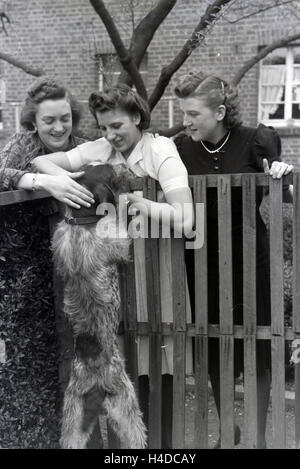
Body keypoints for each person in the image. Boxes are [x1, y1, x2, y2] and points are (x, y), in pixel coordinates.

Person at [32, 83, 194, 448]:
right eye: (103, 127)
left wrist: (138, 204)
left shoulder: (161, 151)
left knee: (155, 376)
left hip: (154, 278)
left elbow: (186, 220)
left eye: (117, 126)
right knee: (113, 369)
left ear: (137, 117)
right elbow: (42, 162)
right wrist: (61, 182)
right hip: (108, 286)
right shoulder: (100, 148)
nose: (109, 135)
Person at [174, 71, 293, 449]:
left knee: (257, 349)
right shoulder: (179, 148)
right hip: (200, 262)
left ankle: (255, 435)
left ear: (220, 111)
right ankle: (229, 431)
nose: (186, 121)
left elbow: (284, 194)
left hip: (250, 262)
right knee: (213, 348)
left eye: (193, 113)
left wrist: (279, 173)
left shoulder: (254, 141)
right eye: (184, 113)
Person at [0, 76, 94, 209]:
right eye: (49, 121)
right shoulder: (21, 144)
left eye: (65, 119)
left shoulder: (84, 149)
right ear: (33, 121)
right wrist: (44, 181)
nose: (59, 128)